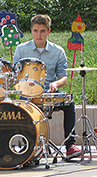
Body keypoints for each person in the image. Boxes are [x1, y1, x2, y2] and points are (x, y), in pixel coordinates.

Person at [13, 14, 80, 158]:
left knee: (69, 103)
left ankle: (70, 145)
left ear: (48, 31)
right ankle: (27, 146)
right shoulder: (21, 50)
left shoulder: (58, 51)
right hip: (27, 94)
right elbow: (15, 75)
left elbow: (63, 77)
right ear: (31, 31)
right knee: (19, 107)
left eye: (42, 31)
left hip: (49, 92)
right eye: (36, 31)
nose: (39, 35)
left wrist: (56, 84)